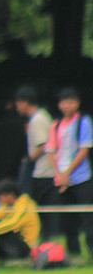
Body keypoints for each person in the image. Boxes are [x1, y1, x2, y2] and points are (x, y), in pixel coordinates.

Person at [45, 87, 93, 261]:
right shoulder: (55, 124)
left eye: (71, 102)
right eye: (64, 102)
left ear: (77, 103)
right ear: (59, 104)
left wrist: (67, 173)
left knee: (87, 216)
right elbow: (50, 150)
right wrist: (59, 174)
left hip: (81, 177)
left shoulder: (83, 122)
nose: (67, 105)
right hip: (62, 178)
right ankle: (74, 252)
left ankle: (91, 251)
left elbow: (84, 151)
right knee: (67, 217)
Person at [13, 86, 57, 239]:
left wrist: (28, 161)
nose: (17, 107)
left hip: (43, 172)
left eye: (18, 103)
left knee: (38, 209)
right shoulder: (41, 117)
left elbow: (43, 146)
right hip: (45, 171)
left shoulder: (37, 119)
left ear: (25, 102)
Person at [0, 179, 40, 260]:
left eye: (1, 198)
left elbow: (13, 223)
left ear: (10, 195)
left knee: (2, 232)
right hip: (16, 241)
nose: (0, 201)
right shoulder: (8, 205)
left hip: (26, 246)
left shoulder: (25, 205)